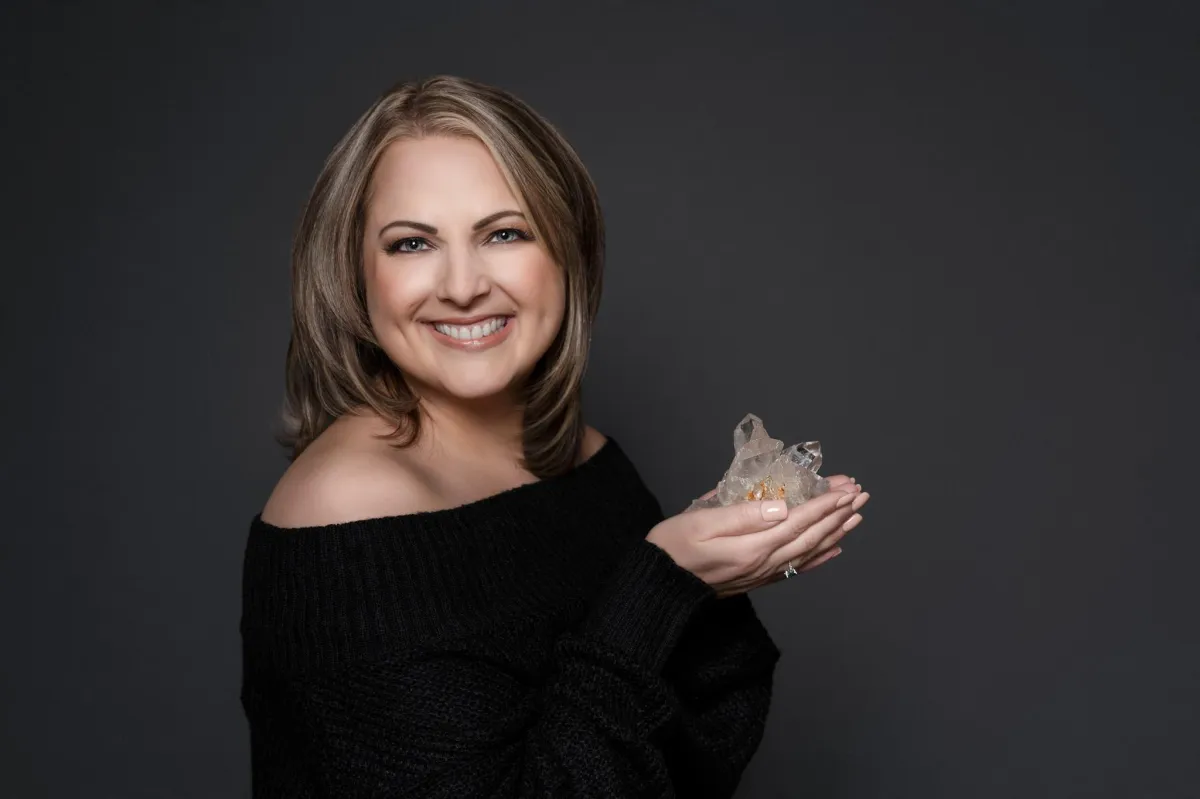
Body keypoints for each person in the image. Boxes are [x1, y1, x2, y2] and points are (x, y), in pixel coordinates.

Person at [239, 74, 871, 798]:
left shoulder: (585, 458)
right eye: (412, 243)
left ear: (567, 252)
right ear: (355, 276)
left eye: (504, 233)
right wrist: (659, 586)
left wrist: (700, 586)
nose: (463, 285)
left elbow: (691, 757)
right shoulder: (345, 512)